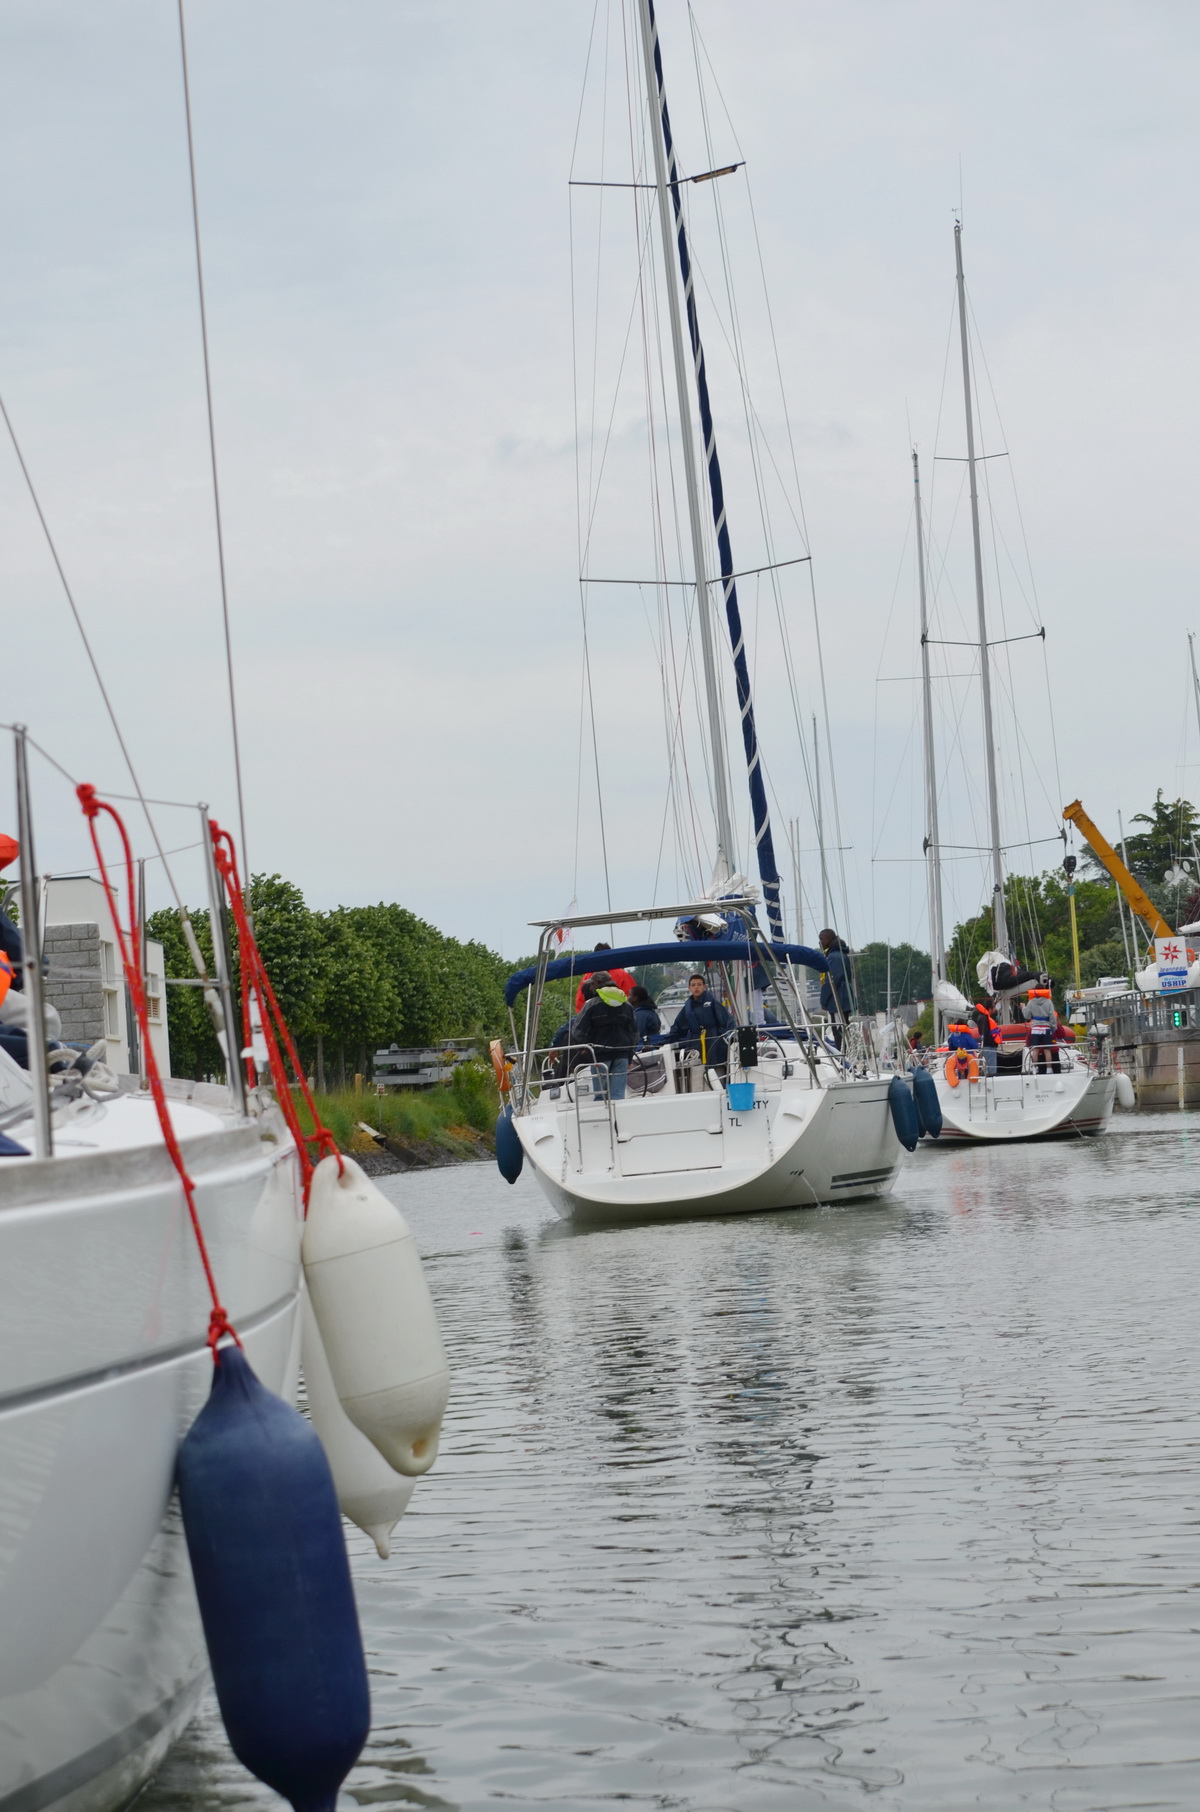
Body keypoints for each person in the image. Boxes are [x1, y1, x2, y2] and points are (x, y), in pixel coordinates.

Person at [568, 972, 637, 1100]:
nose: (590, 987)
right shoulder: (626, 1004)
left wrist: (583, 1048)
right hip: (622, 1054)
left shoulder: (591, 1004)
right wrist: (630, 1055)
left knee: (601, 1096)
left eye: (592, 984)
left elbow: (577, 1031)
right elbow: (634, 1033)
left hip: (600, 1055)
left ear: (598, 984)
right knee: (618, 1095)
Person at [668, 972, 735, 1066]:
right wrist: (665, 1042)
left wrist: (732, 1037)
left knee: (715, 1066)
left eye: (699, 985)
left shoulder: (712, 1002)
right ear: (689, 988)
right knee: (698, 1066)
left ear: (704, 987)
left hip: (714, 1041)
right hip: (696, 1043)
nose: (696, 987)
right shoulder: (687, 1008)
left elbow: (727, 1020)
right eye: (693, 985)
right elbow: (678, 1027)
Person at [574, 942, 637, 1013]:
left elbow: (580, 1001)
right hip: (620, 1015)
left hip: (593, 1015)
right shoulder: (622, 974)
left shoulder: (588, 976)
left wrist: (584, 1015)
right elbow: (632, 997)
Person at [816, 928, 853, 1047]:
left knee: (839, 1030)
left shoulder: (834, 956)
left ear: (828, 939)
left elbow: (832, 980)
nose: (820, 942)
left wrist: (824, 1000)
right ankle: (845, 1051)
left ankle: (843, 1054)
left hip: (838, 1000)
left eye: (821, 939)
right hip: (841, 997)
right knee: (841, 1028)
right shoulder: (838, 954)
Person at [1024, 987, 1059, 1074]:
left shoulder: (1030, 1002)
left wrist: (1023, 1008)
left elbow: (1027, 1016)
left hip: (1035, 1029)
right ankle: (1049, 1069)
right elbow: (1052, 1016)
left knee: (1035, 1050)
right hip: (1046, 1028)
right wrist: (1053, 1028)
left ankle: (1035, 1068)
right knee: (1047, 1050)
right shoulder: (1048, 1001)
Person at [969, 995, 1000, 1075]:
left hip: (988, 1046)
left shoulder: (982, 1017)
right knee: (991, 1069)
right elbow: (985, 1033)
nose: (995, 1009)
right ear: (990, 1008)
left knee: (989, 1068)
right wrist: (993, 1043)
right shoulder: (984, 1018)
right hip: (989, 1046)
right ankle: (991, 1079)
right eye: (993, 1007)